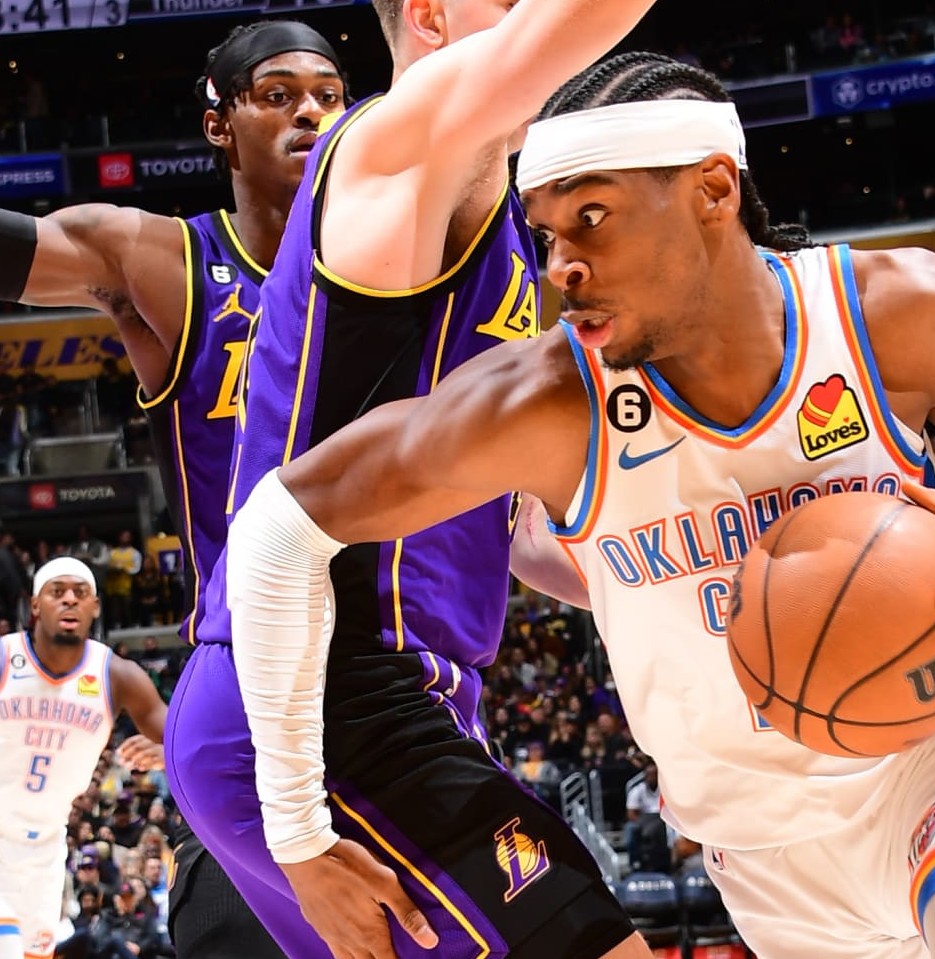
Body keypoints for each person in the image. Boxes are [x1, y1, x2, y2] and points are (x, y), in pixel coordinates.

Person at [217, 51, 935, 958]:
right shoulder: (543, 405)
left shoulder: (892, 313)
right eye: (546, 234)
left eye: (593, 219)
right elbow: (277, 525)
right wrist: (295, 831)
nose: (561, 267)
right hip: (763, 863)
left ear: (714, 189)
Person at [164, 4, 661, 959]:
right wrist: (302, 827)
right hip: (324, 685)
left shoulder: (501, 221)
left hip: (398, 690)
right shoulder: (396, 141)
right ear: (430, 13)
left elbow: (510, 535)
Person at [3, 21, 353, 959]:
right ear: (219, 123)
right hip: (252, 676)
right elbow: (24, 250)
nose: (311, 110)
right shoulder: (170, 262)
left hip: (389, 675)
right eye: (277, 94)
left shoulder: (400, 270)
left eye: (328, 91)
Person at [0, 558, 168, 959]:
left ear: (95, 606)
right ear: (35, 605)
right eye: (57, 592)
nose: (69, 600)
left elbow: (182, 739)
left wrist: (168, 754)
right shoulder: (6, 659)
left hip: (46, 845)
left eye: (80, 593)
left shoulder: (116, 675)